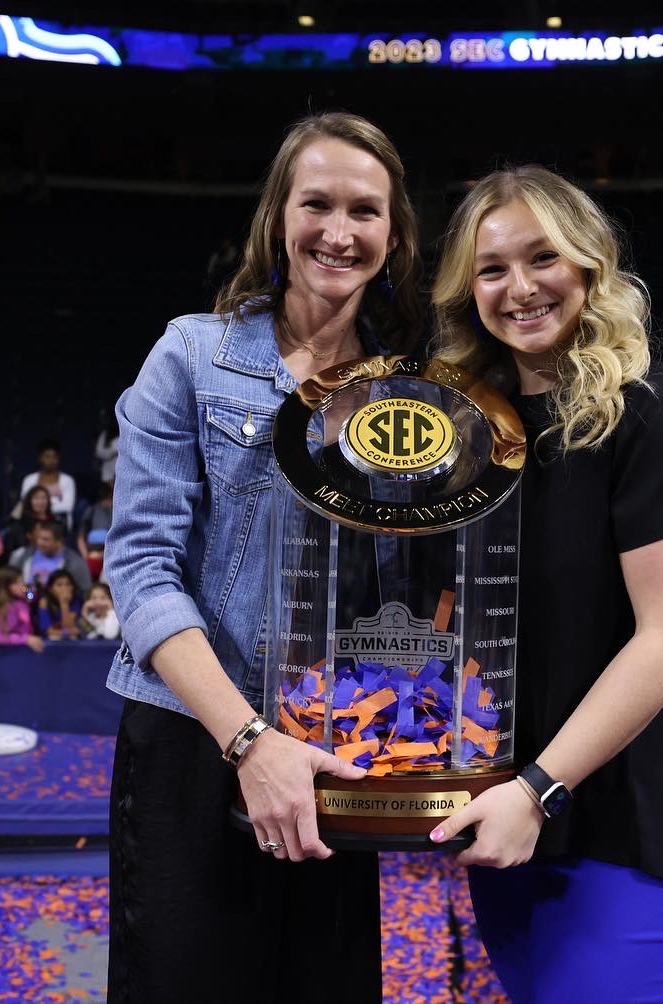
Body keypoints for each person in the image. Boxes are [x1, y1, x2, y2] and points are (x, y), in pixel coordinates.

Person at [104, 112, 423, 1001]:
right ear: (276, 218)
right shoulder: (191, 355)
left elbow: (415, 588)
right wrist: (248, 741)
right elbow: (139, 566)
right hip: (191, 742)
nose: (338, 231)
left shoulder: (419, 389)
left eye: (365, 211)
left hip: (336, 745)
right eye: (315, 203)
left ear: (393, 235)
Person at [424, 165, 663, 1002]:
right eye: (492, 269)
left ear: (590, 267)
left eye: (542, 258)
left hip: (617, 831)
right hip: (508, 828)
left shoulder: (655, 415)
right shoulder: (477, 438)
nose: (519, 288)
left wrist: (538, 788)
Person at [13, 520, 91, 595]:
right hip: (26, 600)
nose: (40, 542)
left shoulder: (76, 563)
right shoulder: (25, 555)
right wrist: (27, 592)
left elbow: (84, 591)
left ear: (60, 542)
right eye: (39, 538)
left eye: (45, 539)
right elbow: (13, 582)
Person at [19, 440, 78, 531]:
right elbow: (25, 501)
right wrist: (55, 501)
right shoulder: (29, 479)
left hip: (59, 523)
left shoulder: (67, 480)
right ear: (40, 458)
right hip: (32, 523)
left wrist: (40, 505)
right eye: (47, 456)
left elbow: (67, 506)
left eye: (54, 457)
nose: (51, 461)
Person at [0, 566, 42, 651]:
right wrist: (26, 639)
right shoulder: (7, 608)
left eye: (22, 581)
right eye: (16, 583)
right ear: (5, 586)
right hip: (12, 655)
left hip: (24, 651)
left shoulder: (22, 599)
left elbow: (32, 597)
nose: (22, 586)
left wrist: (35, 585)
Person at [36, 568, 83, 640]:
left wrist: (64, 604)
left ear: (73, 587)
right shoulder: (44, 602)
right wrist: (69, 632)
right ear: (50, 589)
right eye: (59, 585)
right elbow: (48, 631)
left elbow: (69, 627)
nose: (64, 588)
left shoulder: (76, 601)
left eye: (68, 584)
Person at [95, 410, 119, 486]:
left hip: (119, 472)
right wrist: (110, 452)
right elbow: (99, 452)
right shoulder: (104, 435)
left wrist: (109, 452)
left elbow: (113, 451)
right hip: (107, 473)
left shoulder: (121, 435)